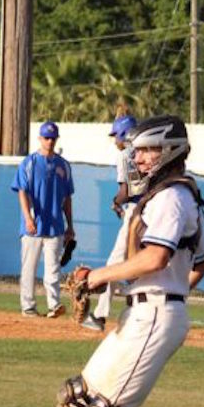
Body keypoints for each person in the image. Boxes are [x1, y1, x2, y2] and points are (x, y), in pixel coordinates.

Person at [0, 114, 204, 407]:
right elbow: (198, 264)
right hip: (149, 312)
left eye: (148, 150)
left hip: (154, 315)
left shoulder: (172, 198)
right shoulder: (169, 196)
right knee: (75, 402)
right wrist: (170, 296)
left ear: (169, 151)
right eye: (139, 150)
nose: (139, 158)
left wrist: (105, 280)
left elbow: (155, 259)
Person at [82, 113, 139, 332]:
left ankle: (99, 315)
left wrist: (115, 202)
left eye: (116, 135)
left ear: (125, 134)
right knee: (140, 262)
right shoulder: (150, 152)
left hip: (135, 211)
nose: (115, 140)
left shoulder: (124, 155)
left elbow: (125, 191)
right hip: (153, 211)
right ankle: (135, 305)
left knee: (115, 262)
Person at [12, 120, 75, 318]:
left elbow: (67, 198)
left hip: (56, 225)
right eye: (46, 138)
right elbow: (21, 191)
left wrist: (70, 226)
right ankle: (28, 306)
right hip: (32, 225)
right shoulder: (29, 163)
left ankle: (54, 306)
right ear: (40, 138)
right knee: (29, 268)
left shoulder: (63, 165)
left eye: (53, 138)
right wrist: (27, 217)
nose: (49, 141)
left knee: (53, 269)